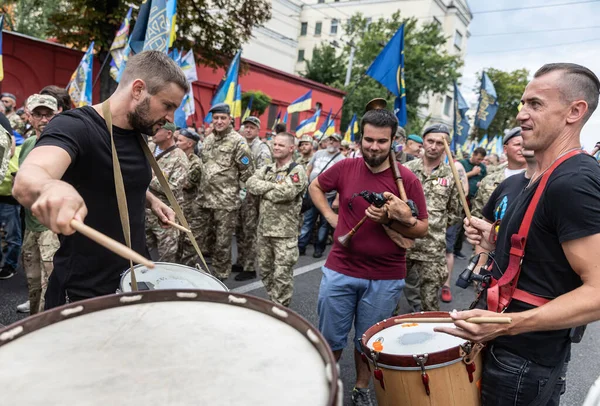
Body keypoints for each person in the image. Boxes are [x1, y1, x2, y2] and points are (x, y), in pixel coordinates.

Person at [437, 63, 600, 406]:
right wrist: (495, 241)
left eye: (535, 105)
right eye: (523, 103)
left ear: (575, 111)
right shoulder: (542, 175)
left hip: (524, 361)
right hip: (508, 350)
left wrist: (507, 324)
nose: (521, 115)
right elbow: (546, 255)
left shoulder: (574, 181)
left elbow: (598, 291)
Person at [13, 51, 186, 308]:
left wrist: (151, 201)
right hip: (84, 292)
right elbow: (31, 176)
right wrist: (50, 187)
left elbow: (112, 178)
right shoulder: (75, 126)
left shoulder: (137, 131)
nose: (171, 118)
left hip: (133, 279)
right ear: (138, 90)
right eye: (168, 105)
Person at [311, 108, 428, 405]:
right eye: (369, 140)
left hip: (386, 276)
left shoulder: (408, 180)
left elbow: (421, 229)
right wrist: (329, 216)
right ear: (360, 138)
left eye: (381, 141)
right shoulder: (345, 168)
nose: (374, 147)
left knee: (368, 342)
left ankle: (361, 387)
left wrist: (390, 219)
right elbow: (315, 187)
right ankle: (327, 383)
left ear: (393, 142)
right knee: (330, 337)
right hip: (341, 269)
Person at [402, 124, 462, 312]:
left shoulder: (452, 176)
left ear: (446, 147)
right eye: (430, 141)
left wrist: (435, 226)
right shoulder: (405, 170)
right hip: (403, 243)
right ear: (423, 141)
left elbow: (454, 212)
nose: (434, 146)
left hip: (432, 249)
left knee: (429, 304)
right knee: (390, 298)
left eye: (439, 143)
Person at [246, 132, 307, 306]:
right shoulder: (267, 169)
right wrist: (273, 186)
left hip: (284, 234)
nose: (276, 148)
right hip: (264, 230)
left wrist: (264, 188)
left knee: (282, 275)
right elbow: (251, 183)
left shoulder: (297, 170)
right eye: (275, 144)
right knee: (265, 271)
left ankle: (280, 309)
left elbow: (286, 193)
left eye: (281, 145)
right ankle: (274, 302)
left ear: (291, 148)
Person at [196, 103, 254, 281]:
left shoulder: (238, 142)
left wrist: (242, 195)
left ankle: (220, 276)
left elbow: (248, 172)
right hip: (205, 200)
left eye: (223, 118)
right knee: (205, 241)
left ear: (230, 120)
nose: (219, 121)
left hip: (226, 202)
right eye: (215, 118)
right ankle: (205, 274)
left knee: (223, 243)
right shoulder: (208, 140)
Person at [17, 95, 61, 314]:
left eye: (48, 114)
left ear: (57, 115)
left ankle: (47, 332)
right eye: (38, 114)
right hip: (30, 226)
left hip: (51, 228)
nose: (44, 119)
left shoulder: (62, 145)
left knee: (50, 287)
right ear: (29, 116)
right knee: (33, 284)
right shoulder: (26, 145)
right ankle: (34, 326)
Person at [234, 116, 272, 281]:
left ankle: (250, 267)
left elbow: (264, 172)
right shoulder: (241, 144)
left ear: (257, 130)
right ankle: (241, 261)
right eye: (246, 127)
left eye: (252, 127)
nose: (248, 130)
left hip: (252, 195)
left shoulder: (261, 148)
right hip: (240, 193)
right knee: (240, 230)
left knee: (250, 231)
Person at [146, 122, 189, 262]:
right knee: (140, 253)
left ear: (169, 134)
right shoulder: (150, 148)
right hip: (145, 213)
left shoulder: (179, 157)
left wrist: (146, 176)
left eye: (157, 130)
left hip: (166, 216)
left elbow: (172, 188)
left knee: (167, 258)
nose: (153, 132)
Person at [298, 133, 345, 258]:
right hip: (313, 193)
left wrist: (337, 199)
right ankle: (301, 246)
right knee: (308, 220)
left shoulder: (342, 159)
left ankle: (318, 249)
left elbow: (343, 182)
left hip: (328, 196)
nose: (331, 142)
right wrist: (306, 185)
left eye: (334, 140)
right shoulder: (318, 153)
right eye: (330, 139)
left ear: (339, 144)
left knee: (324, 223)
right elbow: (309, 169)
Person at [471, 127, 526, 219]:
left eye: (525, 145)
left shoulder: (536, 179)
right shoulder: (489, 180)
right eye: (517, 145)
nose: (522, 149)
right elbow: (477, 214)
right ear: (505, 149)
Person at [454, 147, 487, 259]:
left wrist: (481, 183)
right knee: (457, 224)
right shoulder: (462, 163)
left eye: (481, 160)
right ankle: (451, 248)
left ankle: (457, 249)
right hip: (461, 199)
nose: (479, 161)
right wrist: (472, 173)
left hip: (475, 200)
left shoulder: (482, 167)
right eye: (478, 159)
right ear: (473, 155)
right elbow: (457, 177)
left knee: (467, 225)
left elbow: (486, 180)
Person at [176, 129, 203, 266]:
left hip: (192, 210)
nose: (177, 143)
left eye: (180, 140)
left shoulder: (195, 163)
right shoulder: (179, 159)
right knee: (178, 245)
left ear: (189, 143)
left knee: (189, 246)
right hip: (181, 207)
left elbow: (185, 184)